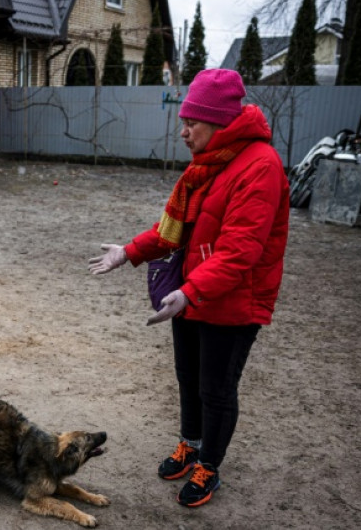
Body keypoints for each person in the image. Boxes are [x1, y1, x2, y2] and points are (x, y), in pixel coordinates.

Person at [87, 69, 289, 508]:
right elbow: (173, 230)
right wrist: (129, 251)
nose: (182, 132)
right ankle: (190, 444)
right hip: (192, 296)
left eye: (190, 123)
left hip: (233, 303)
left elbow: (240, 251)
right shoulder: (207, 166)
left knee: (216, 388)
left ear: (216, 121)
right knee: (188, 378)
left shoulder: (260, 167)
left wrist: (190, 292)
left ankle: (208, 466)